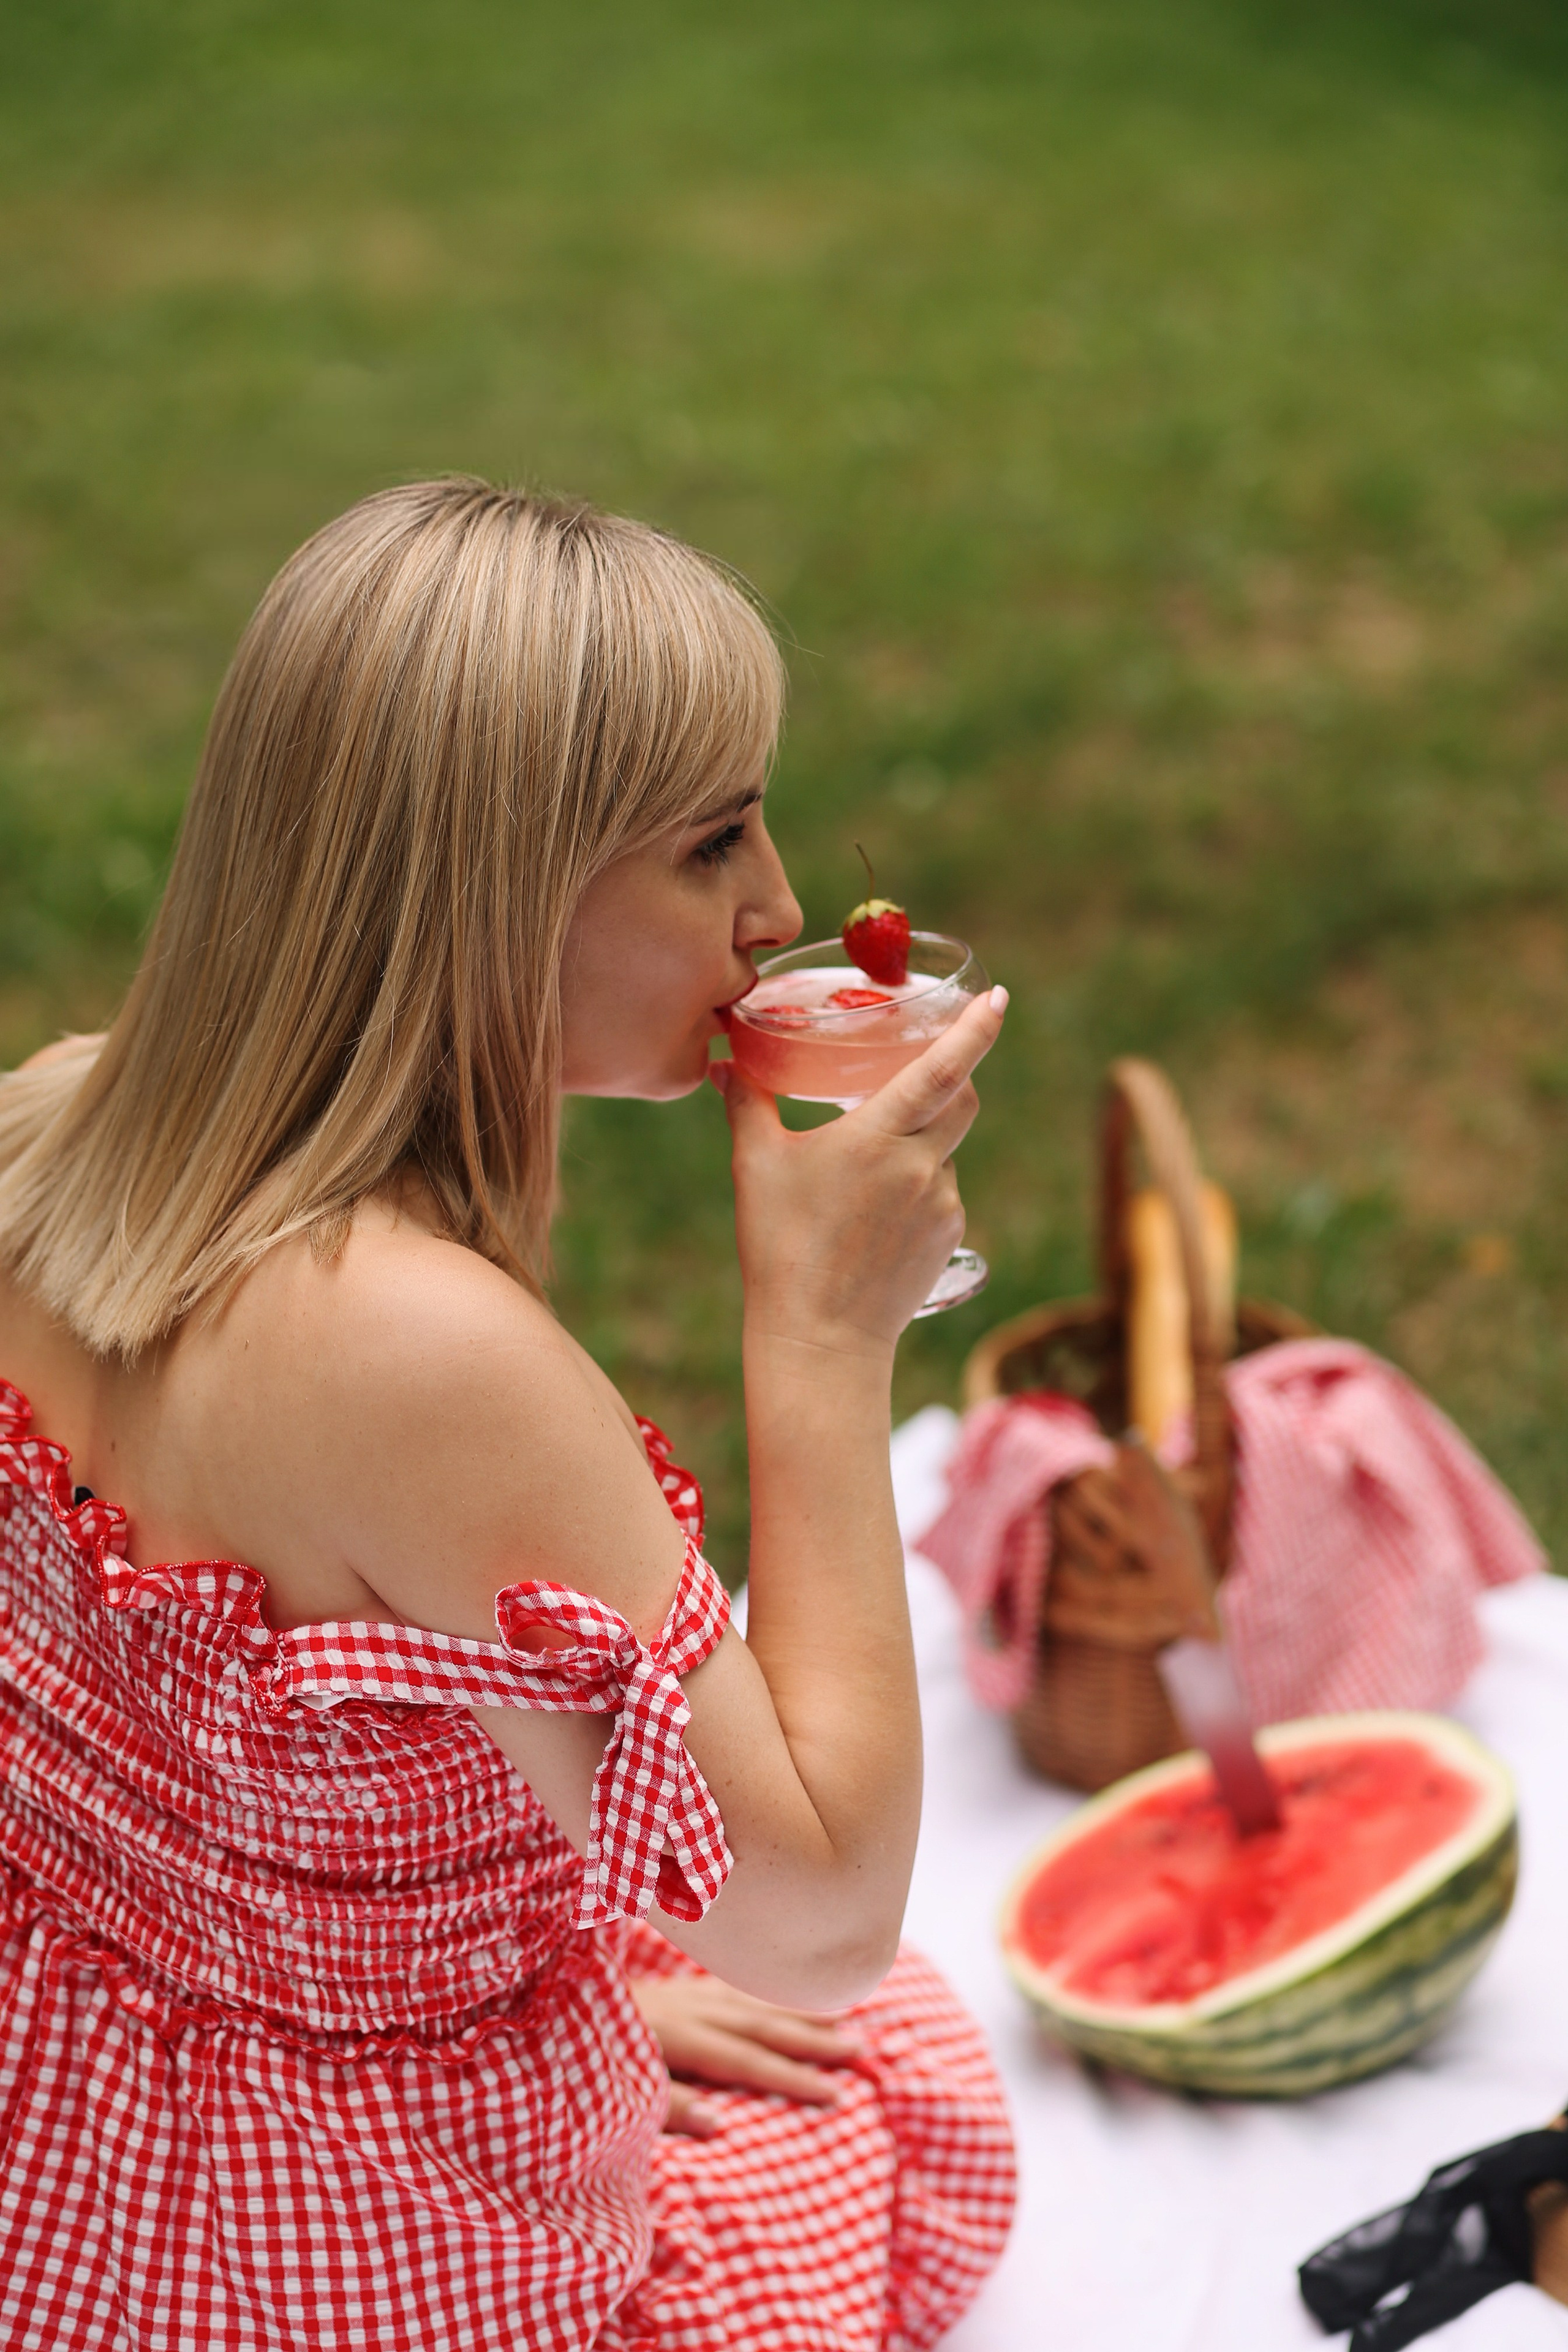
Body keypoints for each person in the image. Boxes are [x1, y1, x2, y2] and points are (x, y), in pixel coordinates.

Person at [0, 480, 1016, 2352]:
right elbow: (814, 1920)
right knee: (904, 2062)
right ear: (491, 881)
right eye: (712, 843)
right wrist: (822, 1337)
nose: (785, 909)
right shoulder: (415, 1358)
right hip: (342, 2260)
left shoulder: (57, 1124)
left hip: (73, 2149)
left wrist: (538, 1965)